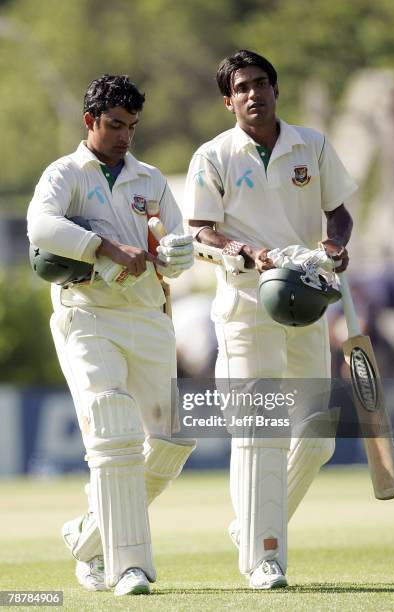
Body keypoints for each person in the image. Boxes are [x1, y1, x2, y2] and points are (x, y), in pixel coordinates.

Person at [184, 50, 356, 589]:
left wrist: (335, 243)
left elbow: (340, 210)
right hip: (245, 303)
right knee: (261, 429)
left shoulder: (314, 144)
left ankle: (252, 525)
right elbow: (200, 230)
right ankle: (265, 556)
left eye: (262, 83)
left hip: (305, 296)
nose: (254, 94)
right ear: (228, 99)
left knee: (318, 436)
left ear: (276, 89)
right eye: (242, 87)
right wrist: (247, 251)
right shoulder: (213, 155)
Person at [27, 74, 196, 596]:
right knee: (115, 434)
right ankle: (131, 568)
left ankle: (87, 539)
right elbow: (41, 228)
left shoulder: (149, 179)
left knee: (170, 444)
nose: (125, 136)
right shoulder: (65, 173)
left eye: (132, 127)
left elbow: (180, 244)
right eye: (116, 125)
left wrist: (175, 254)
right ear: (91, 121)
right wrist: (106, 247)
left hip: (147, 317)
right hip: (88, 316)